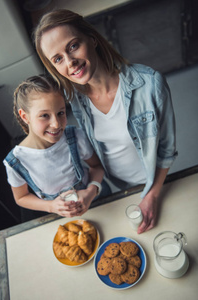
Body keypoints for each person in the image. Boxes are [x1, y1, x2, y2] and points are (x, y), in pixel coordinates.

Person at [33, 9, 178, 233]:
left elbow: (167, 149)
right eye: (58, 59)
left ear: (91, 38)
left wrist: (152, 194)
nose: (70, 62)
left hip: (153, 182)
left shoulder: (150, 85)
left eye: (73, 46)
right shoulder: (75, 99)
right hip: (115, 186)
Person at [3, 75, 111, 219]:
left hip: (96, 199)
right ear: (25, 116)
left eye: (60, 113)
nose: (56, 124)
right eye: (44, 115)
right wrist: (50, 206)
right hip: (60, 215)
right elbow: (21, 197)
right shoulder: (16, 162)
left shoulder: (75, 136)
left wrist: (91, 191)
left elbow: (97, 166)